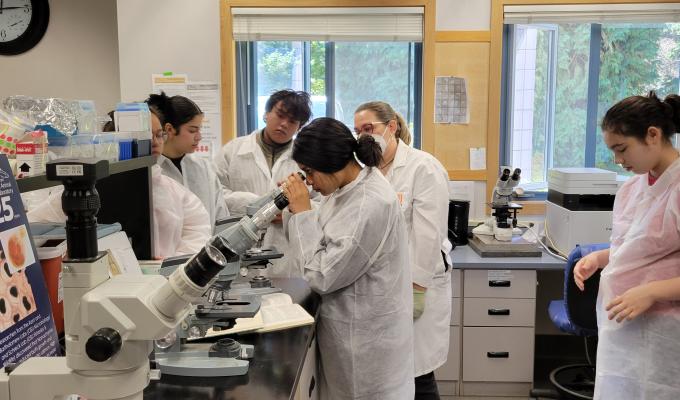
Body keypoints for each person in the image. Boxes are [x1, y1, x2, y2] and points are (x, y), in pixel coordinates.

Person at [281, 117, 414, 399]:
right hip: (347, 335)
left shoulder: (369, 203)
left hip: (365, 349)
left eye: (309, 172)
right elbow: (328, 228)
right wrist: (300, 206)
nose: (311, 183)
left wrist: (303, 213)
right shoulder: (347, 187)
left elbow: (320, 275)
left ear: (330, 162)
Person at [573, 91, 680, 400]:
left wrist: (651, 292)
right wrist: (601, 258)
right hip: (622, 333)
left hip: (665, 336)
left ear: (653, 135)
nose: (619, 161)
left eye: (622, 149)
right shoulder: (634, 187)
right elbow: (641, 247)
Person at [354, 101, 452, 399]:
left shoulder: (423, 167)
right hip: (384, 288)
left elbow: (427, 234)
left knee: (417, 372)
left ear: (392, 127)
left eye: (369, 129)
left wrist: (417, 288)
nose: (363, 137)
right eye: (357, 131)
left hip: (417, 283)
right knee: (392, 375)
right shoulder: (367, 171)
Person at [28, 107, 212, 259]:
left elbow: (198, 234)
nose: (155, 142)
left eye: (159, 135)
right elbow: (34, 227)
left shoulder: (177, 194)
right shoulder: (85, 190)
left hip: (161, 284)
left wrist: (169, 266)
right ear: (113, 140)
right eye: (145, 136)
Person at [213, 89, 313, 277]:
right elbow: (215, 194)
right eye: (280, 115)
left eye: (292, 121)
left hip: (286, 256)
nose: (284, 124)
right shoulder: (234, 151)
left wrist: (288, 212)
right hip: (239, 246)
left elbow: (321, 202)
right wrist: (254, 205)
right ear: (266, 114)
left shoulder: (306, 160)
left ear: (299, 127)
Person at [147, 92, 229, 231]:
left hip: (207, 249)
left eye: (199, 130)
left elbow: (221, 217)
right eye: (192, 130)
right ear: (169, 129)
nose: (199, 137)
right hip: (168, 251)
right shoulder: (152, 170)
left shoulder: (204, 168)